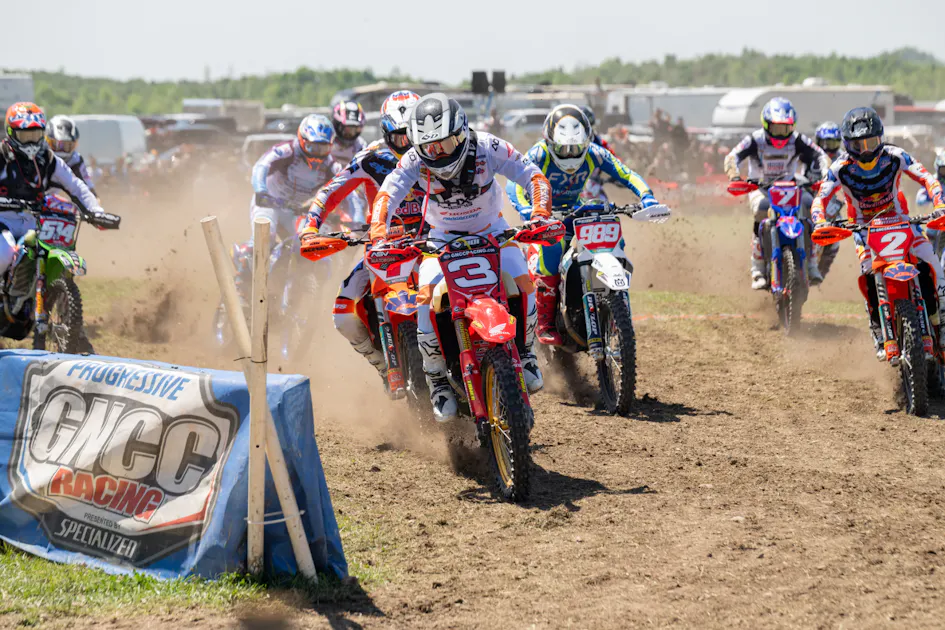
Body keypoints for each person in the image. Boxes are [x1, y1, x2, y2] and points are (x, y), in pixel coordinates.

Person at [369, 93, 553, 422]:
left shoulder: (488, 147)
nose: (438, 153)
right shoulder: (413, 160)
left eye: (445, 143)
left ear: (463, 132)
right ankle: (437, 378)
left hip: (492, 230)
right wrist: (379, 235)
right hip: (440, 238)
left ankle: (526, 353)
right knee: (425, 301)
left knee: (524, 281)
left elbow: (532, 174)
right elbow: (387, 195)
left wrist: (540, 213)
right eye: (429, 147)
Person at [507, 104, 662, 345]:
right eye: (563, 148)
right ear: (550, 141)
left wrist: (647, 196)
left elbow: (626, 173)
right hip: (545, 214)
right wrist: (526, 209)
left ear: (586, 141)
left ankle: (618, 303)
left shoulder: (594, 153)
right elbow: (514, 183)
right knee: (552, 247)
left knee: (610, 230)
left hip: (576, 209)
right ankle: (545, 323)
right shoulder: (539, 154)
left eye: (576, 147)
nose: (570, 154)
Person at [299, 91, 424, 380]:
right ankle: (381, 365)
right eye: (401, 137)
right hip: (383, 245)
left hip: (432, 241)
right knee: (343, 315)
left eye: (414, 135)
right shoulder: (371, 158)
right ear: (387, 133)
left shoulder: (437, 152)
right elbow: (331, 191)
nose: (408, 144)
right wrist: (310, 227)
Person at [812, 107, 945, 360]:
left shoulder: (896, 156)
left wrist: (940, 204)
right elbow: (821, 197)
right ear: (847, 144)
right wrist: (819, 220)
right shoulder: (839, 168)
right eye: (858, 145)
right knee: (868, 274)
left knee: (933, 265)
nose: (866, 151)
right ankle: (877, 327)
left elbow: (927, 178)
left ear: (880, 138)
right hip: (863, 229)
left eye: (871, 143)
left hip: (901, 221)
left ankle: (943, 321)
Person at [724, 97, 830, 289]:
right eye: (776, 128)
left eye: (785, 128)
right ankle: (757, 268)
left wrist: (826, 174)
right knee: (761, 211)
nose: (781, 135)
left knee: (810, 207)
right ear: (766, 125)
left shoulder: (798, 139)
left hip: (790, 187)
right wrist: (734, 175)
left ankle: (812, 263)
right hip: (760, 188)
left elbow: (820, 155)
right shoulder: (754, 139)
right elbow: (732, 156)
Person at [232, 115, 338, 303]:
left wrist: (354, 219)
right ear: (302, 140)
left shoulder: (332, 166)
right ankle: (241, 279)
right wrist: (261, 191)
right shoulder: (287, 150)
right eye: (312, 147)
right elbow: (261, 166)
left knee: (310, 242)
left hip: (295, 211)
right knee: (266, 237)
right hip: (269, 203)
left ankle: (292, 290)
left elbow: (349, 190)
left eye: (323, 148)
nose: (317, 154)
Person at [1, 103, 106, 291]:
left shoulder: (48, 159)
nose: (31, 142)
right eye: (25, 136)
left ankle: (42, 294)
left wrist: (96, 212)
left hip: (35, 222)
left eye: (35, 135)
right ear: (11, 133)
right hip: (3, 221)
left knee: (45, 249)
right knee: (6, 253)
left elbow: (77, 187)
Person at [809, 122, 844, 278]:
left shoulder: (843, 158)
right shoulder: (810, 155)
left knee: (836, 236)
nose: (829, 149)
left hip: (832, 202)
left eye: (833, 144)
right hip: (808, 197)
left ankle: (823, 268)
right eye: (825, 143)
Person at [329, 101, 368, 224]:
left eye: (355, 129)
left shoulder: (361, 145)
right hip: (326, 184)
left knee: (357, 198)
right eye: (347, 129)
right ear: (337, 125)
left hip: (350, 187)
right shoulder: (327, 141)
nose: (350, 134)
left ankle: (358, 226)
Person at [44, 115, 98, 198]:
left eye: (67, 145)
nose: (62, 150)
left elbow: (88, 187)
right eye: (57, 145)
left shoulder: (76, 160)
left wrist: (95, 200)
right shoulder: (39, 157)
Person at [917, 149, 945, 258]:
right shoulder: (932, 181)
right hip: (937, 219)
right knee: (930, 233)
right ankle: (930, 257)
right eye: (944, 169)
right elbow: (920, 199)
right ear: (938, 168)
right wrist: (929, 201)